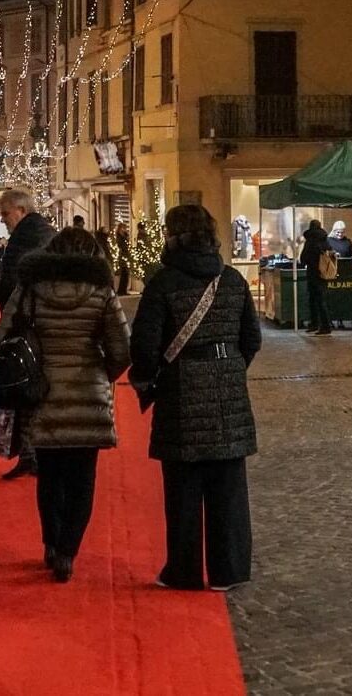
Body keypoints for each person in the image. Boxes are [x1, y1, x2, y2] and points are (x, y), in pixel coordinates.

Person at [129, 203, 260, 593]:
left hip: (179, 390)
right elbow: (251, 339)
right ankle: (229, 569)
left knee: (183, 488)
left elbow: (145, 346)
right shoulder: (233, 280)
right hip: (228, 390)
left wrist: (148, 379)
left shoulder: (163, 284)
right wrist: (228, 368)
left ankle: (183, 570)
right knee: (229, 486)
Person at [0, 225, 130, 582]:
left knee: (50, 475)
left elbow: (1, 336)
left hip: (42, 392)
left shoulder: (30, 289)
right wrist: (103, 371)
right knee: (83, 478)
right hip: (88, 392)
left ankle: (52, 544)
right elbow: (121, 347)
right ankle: (69, 549)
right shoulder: (101, 292)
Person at [0, 189, 56, 479]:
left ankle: (32, 453)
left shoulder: (26, 237)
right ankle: (34, 452)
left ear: (20, 210)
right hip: (43, 322)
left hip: (28, 324)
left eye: (5, 213)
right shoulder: (45, 232)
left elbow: (12, 282)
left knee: (26, 386)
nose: (2, 219)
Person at [299, 220, 334, 336]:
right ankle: (325, 325)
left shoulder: (310, 241)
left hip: (312, 273)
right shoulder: (325, 240)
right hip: (323, 273)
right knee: (321, 300)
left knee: (313, 300)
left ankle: (317, 324)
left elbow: (303, 258)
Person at [114, 224, 132, 295]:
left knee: (125, 274)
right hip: (123, 256)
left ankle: (123, 290)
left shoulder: (124, 236)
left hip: (125, 256)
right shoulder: (119, 237)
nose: (125, 229)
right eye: (123, 228)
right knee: (124, 274)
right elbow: (121, 245)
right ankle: (121, 290)